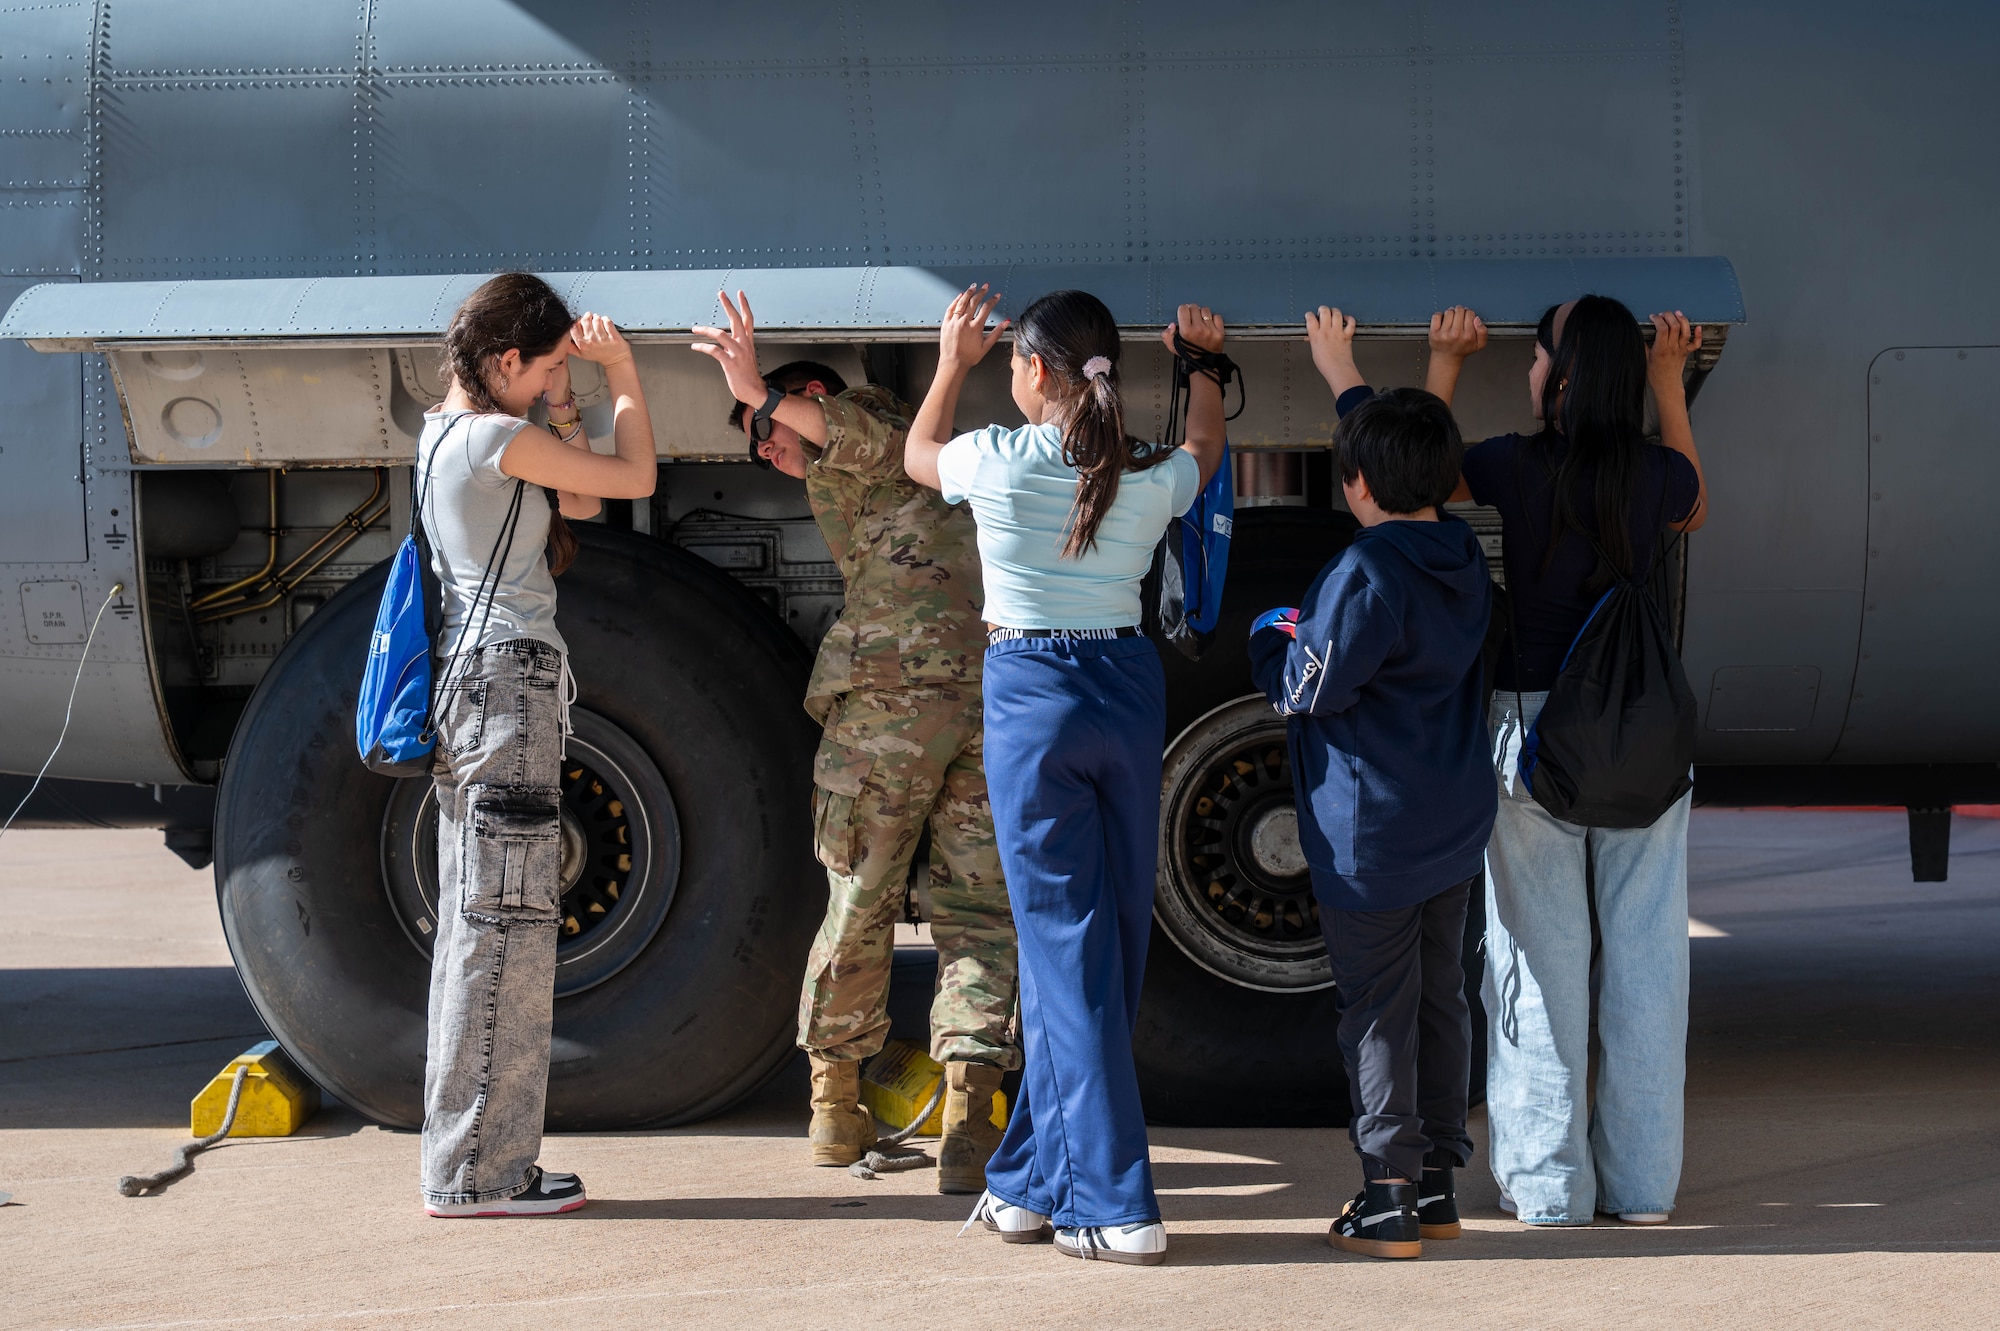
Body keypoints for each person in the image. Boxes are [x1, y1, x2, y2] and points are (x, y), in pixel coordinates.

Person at [904, 285, 1229, 1267]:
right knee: (1107, 945)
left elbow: (917, 455)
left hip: (1032, 695)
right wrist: (1203, 367)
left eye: (1010, 362)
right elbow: (1206, 455)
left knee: (1060, 951)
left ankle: (1112, 1202)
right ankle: (1028, 1181)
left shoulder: (996, 460)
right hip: (1124, 690)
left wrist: (950, 361)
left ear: (1034, 370)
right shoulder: (1143, 468)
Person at [690, 292, 1019, 1194]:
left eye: (765, 429)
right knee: (978, 912)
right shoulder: (895, 454)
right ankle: (962, 1116)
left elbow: (831, 427)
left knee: (861, 900)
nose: (763, 448)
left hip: (890, 713)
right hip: (985, 701)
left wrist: (757, 389)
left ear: (811, 400)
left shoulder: (867, 425)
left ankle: (846, 1102)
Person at [1426, 295, 1707, 1227]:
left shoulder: (1517, 463)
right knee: (1648, 956)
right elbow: (1694, 501)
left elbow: (1428, 484)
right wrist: (1671, 386)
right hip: (1642, 732)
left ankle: (1550, 1187)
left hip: (1537, 735)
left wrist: (1446, 367)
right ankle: (1643, 1190)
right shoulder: (1657, 476)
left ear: (1561, 374)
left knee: (1539, 959)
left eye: (1538, 355)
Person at [1246, 309, 1496, 1259]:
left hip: (1373, 834)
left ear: (1354, 484)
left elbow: (1312, 684)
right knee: (1442, 998)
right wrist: (1343, 376)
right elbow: (1402, 453)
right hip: (1451, 821)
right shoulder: (1460, 553)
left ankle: (1385, 1195)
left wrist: (1273, 632)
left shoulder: (1361, 570)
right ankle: (1434, 1182)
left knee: (1377, 1012)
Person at [418, 273, 658, 1218]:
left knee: (478, 929)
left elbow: (585, 505)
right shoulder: (493, 439)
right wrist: (624, 372)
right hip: (507, 690)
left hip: (472, 687)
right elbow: (632, 480)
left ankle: (469, 1162)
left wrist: (564, 398)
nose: (566, 375)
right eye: (550, 364)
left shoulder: (452, 432)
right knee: (508, 934)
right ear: (505, 361)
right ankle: (479, 1173)